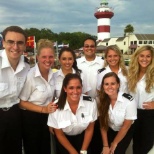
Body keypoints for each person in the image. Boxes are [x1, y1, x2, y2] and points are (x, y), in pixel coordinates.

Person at [19, 39, 57, 154]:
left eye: (50, 57)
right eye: (44, 57)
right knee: (33, 150)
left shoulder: (53, 74)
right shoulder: (30, 76)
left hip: (47, 117)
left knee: (46, 149)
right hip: (31, 119)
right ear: (38, 57)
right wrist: (43, 109)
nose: (47, 60)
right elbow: (21, 102)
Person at [48, 73, 97, 154]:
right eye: (71, 88)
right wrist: (73, 152)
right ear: (65, 88)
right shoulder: (55, 107)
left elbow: (89, 129)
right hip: (64, 140)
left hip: (83, 138)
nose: (75, 91)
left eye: (78, 87)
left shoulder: (91, 103)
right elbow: (59, 134)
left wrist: (83, 150)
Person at [0, 26, 30, 154]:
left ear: (24, 46)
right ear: (3, 43)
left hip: (15, 115)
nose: (15, 47)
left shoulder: (27, 67)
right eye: (11, 42)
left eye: (20, 43)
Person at [98, 72, 137, 154]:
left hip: (125, 130)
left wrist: (114, 143)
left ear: (118, 85)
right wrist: (105, 145)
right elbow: (103, 125)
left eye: (113, 83)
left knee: (116, 151)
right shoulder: (100, 100)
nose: (110, 87)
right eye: (106, 84)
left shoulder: (129, 101)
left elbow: (126, 126)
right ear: (103, 86)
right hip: (110, 128)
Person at [128, 45, 154, 154]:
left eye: (148, 56)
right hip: (132, 113)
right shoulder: (131, 72)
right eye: (142, 56)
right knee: (136, 144)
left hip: (149, 115)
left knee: (146, 146)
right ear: (137, 57)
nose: (144, 59)